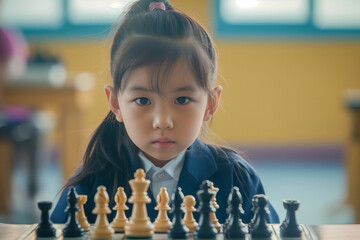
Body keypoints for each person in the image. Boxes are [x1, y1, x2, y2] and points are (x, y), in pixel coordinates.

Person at [51, 0, 279, 224]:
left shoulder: (237, 179)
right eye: (142, 100)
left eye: (182, 99)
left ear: (210, 103)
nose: (162, 121)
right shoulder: (88, 187)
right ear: (116, 104)